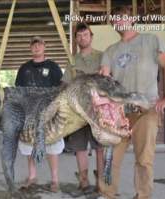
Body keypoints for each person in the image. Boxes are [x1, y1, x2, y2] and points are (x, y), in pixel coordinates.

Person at [98, 6, 165, 199]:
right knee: (110, 157)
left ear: (132, 20)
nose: (118, 21)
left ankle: (143, 195)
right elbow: (104, 79)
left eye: (122, 17)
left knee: (144, 159)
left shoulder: (151, 40)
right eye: (115, 19)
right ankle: (107, 194)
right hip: (119, 113)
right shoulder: (110, 51)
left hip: (146, 109)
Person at [15, 36, 64, 192]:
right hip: (29, 113)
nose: (36, 47)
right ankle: (32, 176)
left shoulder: (54, 67)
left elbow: (61, 89)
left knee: (52, 146)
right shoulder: (24, 69)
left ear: (44, 46)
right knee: (29, 145)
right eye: (33, 45)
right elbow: (18, 91)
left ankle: (55, 180)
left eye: (39, 44)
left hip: (50, 113)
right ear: (30, 48)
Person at [62, 22, 103, 191]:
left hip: (98, 111)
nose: (82, 38)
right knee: (79, 147)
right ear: (76, 39)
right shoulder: (72, 61)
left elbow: (110, 80)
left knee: (100, 147)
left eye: (85, 35)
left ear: (91, 37)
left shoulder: (102, 57)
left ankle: (101, 182)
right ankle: (84, 181)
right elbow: (64, 84)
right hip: (77, 112)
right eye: (79, 36)